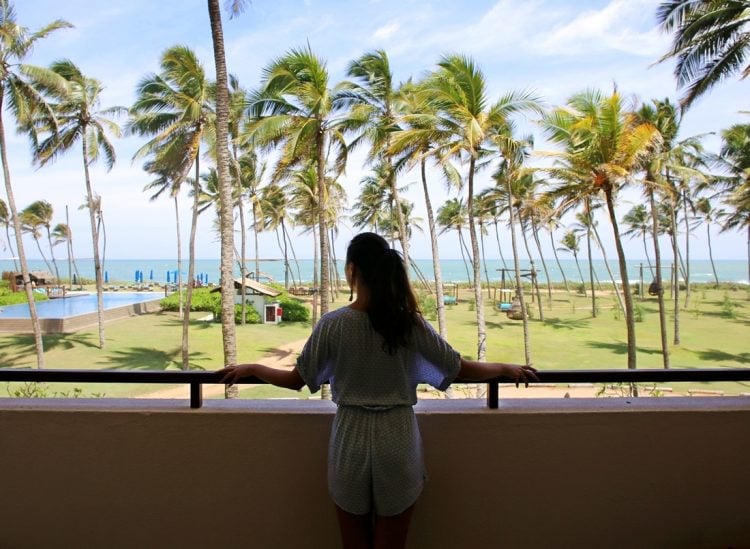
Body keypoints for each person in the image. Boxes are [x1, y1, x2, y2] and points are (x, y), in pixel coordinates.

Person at [218, 232, 538, 549]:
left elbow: (297, 379)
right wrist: (504, 368)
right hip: (397, 438)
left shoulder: (334, 324)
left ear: (352, 270)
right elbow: (457, 368)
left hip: (349, 440)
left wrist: (253, 368)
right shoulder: (408, 323)